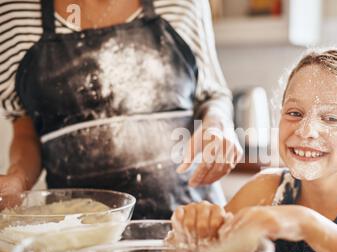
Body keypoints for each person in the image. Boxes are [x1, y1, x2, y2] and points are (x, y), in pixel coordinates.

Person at [170, 48, 337, 252]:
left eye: (331, 118)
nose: (306, 131)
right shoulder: (266, 189)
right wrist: (190, 234)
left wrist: (306, 223)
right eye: (294, 113)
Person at [0, 0, 242, 219]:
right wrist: (18, 180)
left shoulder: (182, 3)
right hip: (79, 238)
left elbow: (212, 95)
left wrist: (218, 127)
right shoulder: (14, 17)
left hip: (192, 225)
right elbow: (25, 131)